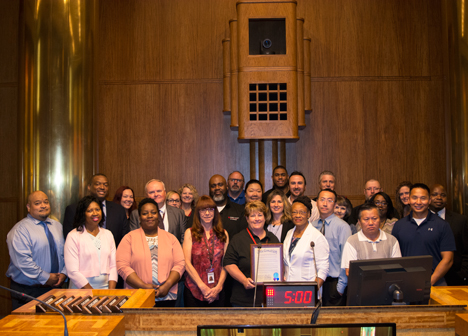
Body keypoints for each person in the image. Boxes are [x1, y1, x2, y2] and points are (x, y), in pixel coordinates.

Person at [116, 198, 185, 307]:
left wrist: (167, 285)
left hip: (167, 296)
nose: (150, 216)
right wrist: (143, 286)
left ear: (158, 216)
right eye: (145, 213)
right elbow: (122, 266)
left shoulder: (171, 238)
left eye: (153, 212)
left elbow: (180, 264)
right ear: (139, 217)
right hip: (137, 295)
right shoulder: (129, 238)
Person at [6, 191, 67, 310]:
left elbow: (65, 253)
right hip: (28, 291)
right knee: (28, 327)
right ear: (29, 207)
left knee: (53, 326)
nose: (43, 205)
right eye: (38, 203)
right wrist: (46, 277)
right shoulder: (20, 230)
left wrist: (64, 273)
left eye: (46, 202)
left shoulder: (57, 226)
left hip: (56, 288)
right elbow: (23, 262)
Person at [392, 183, 456, 286]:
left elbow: (448, 259)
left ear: (429, 200)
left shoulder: (442, 225)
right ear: (409, 200)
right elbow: (394, 257)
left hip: (435, 283)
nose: (418, 202)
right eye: (414, 198)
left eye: (423, 198)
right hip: (406, 284)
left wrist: (429, 282)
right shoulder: (399, 226)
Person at [224, 201, 280, 307]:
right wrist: (243, 280)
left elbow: (279, 263)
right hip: (243, 299)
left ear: (265, 217)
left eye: (260, 215)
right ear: (247, 219)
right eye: (252, 216)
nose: (257, 219)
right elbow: (228, 263)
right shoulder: (238, 239)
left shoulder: (273, 238)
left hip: (269, 298)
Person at [183, 196, 229, 307]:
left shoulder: (223, 234)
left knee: (216, 324)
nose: (207, 213)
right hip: (194, 289)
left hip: (217, 290)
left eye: (210, 209)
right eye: (203, 210)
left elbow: (226, 264)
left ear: (215, 212)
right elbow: (186, 263)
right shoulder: (190, 233)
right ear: (198, 213)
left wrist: (218, 287)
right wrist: (202, 287)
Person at [64, 196, 117, 289]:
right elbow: (72, 271)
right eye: (90, 210)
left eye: (97, 209)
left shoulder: (108, 234)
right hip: (81, 291)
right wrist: (93, 293)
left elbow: (113, 266)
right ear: (82, 213)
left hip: (106, 289)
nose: (95, 213)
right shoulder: (73, 236)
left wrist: (111, 292)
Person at [63, 174, 129, 248]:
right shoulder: (73, 209)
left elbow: (125, 239)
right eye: (98, 184)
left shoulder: (119, 210)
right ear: (89, 187)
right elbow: (69, 240)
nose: (102, 187)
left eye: (105, 185)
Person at [312, 189, 352, 306]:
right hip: (316, 282)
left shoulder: (343, 227)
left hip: (333, 283)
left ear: (334, 205)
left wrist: (341, 287)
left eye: (329, 201)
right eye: (322, 200)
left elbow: (347, 258)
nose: (325, 204)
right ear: (317, 203)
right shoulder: (312, 226)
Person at [283, 196, 329, 291]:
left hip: (307, 292)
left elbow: (323, 269)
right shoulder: (289, 234)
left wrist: (313, 290)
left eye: (302, 212)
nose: (298, 215)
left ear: (309, 214)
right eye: (294, 212)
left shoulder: (317, 237)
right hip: (288, 290)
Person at [341, 204, 401, 276]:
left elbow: (397, 269)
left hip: (386, 285)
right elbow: (349, 271)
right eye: (366, 219)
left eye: (374, 218)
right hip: (362, 286)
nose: (371, 223)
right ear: (359, 222)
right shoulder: (352, 241)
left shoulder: (392, 240)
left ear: (380, 220)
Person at [430, 184, 468, 286]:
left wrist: (463, 273)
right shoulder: (422, 221)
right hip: (430, 275)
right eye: (435, 194)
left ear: (447, 199)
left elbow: (466, 249)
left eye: (443, 195)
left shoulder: (460, 220)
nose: (439, 197)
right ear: (429, 198)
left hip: (455, 277)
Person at [130, 179, 186, 244]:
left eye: (159, 191)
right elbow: (134, 240)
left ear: (165, 193)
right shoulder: (136, 214)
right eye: (151, 192)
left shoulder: (178, 213)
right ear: (146, 195)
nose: (156, 194)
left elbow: (183, 240)